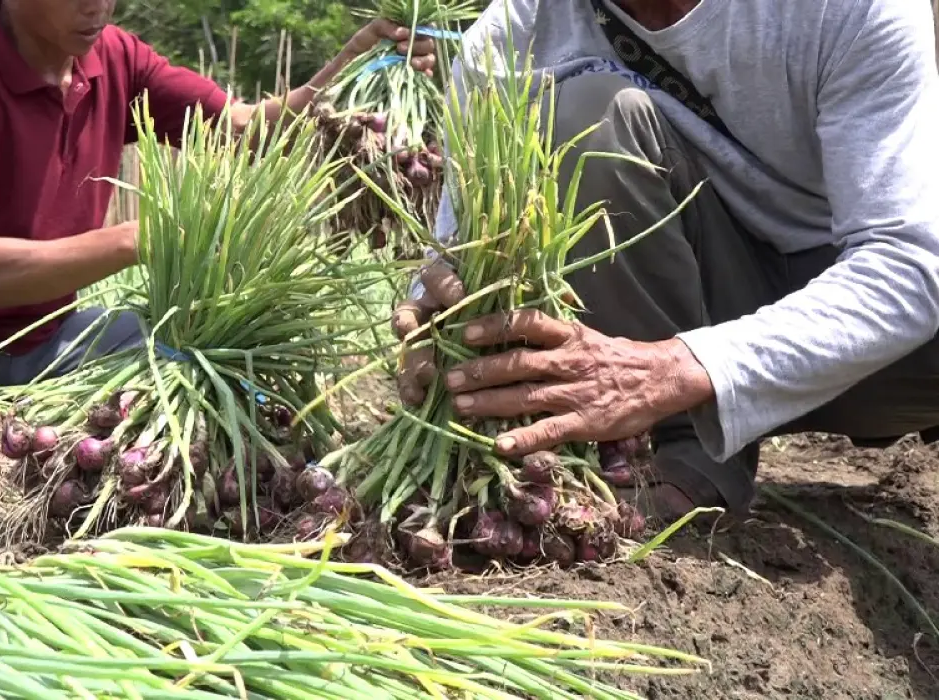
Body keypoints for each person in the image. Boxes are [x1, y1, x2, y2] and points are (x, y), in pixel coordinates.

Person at [393, 0, 939, 523]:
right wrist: (442, 321)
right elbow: (454, 251)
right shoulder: (506, 41)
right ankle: (680, 456)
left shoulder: (848, 8)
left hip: (878, 349)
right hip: (691, 290)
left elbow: (909, 264)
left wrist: (678, 369)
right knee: (584, 116)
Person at [0, 0, 437, 408]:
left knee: (175, 354)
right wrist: (140, 237)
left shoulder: (115, 60)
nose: (98, 3)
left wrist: (356, 67)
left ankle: (25, 424)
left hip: (49, 341)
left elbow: (243, 127)